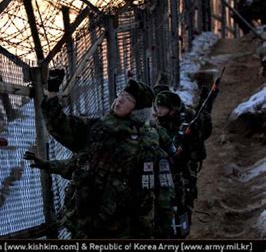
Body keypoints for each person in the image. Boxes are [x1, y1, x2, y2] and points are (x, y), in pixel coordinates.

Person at [34, 69, 174, 238]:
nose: (120, 100)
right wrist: (52, 94)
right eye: (121, 95)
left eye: (128, 99)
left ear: (138, 109)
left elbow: (157, 194)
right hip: (84, 226)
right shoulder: (96, 128)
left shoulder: (146, 143)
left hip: (120, 231)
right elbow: (61, 127)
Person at [153, 90, 212, 237]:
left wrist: (190, 140)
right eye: (157, 107)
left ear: (172, 110)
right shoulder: (155, 125)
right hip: (162, 175)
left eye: (162, 107)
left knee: (183, 208)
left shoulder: (186, 124)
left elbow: (198, 153)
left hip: (182, 175)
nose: (158, 110)